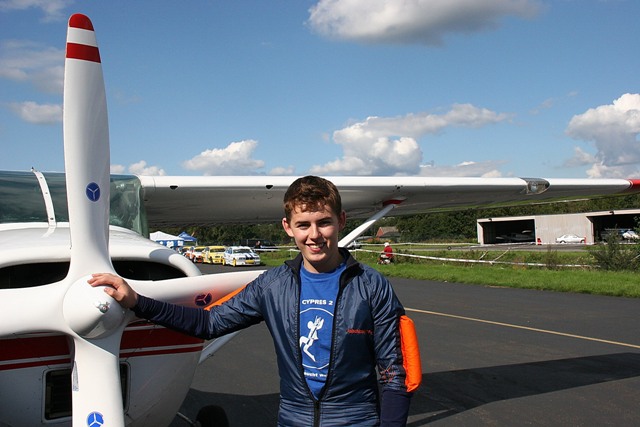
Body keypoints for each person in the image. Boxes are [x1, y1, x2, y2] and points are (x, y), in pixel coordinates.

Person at [89, 175, 421, 426]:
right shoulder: (272, 286)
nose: (314, 235)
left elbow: (394, 373)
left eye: (324, 223)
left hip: (356, 419)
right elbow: (208, 322)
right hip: (293, 419)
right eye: (303, 225)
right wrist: (138, 301)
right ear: (288, 227)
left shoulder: (372, 286)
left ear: (341, 221)